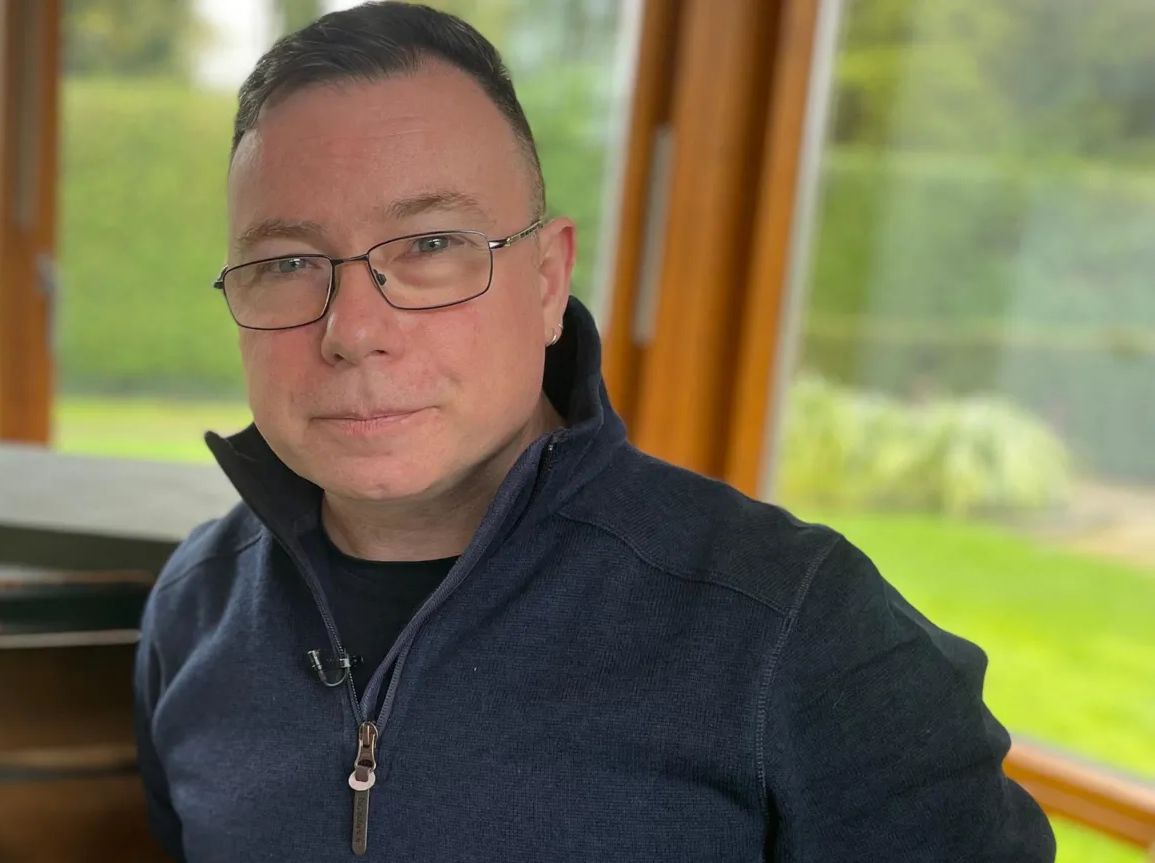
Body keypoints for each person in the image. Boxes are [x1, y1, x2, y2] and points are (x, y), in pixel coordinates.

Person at [133, 3, 1056, 860]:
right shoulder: (195, 608)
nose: (353, 330)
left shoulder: (801, 632)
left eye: (430, 245)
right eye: (288, 261)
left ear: (545, 281)